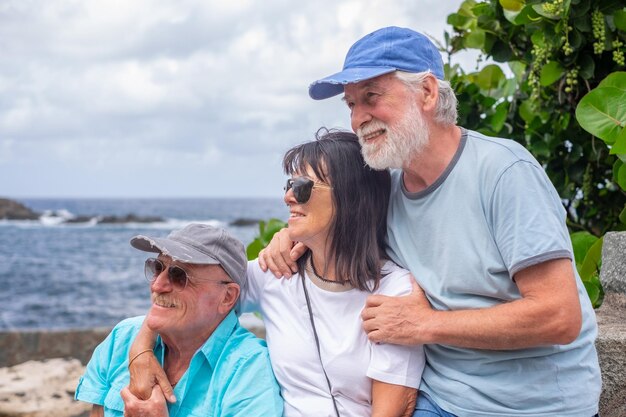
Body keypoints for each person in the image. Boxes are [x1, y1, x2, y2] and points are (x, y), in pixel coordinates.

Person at [259, 27, 602, 416]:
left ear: (427, 92)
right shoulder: (386, 187)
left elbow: (559, 316)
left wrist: (426, 325)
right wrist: (288, 237)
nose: (357, 120)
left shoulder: (504, 171)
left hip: (533, 406)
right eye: (350, 104)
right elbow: (334, 226)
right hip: (439, 398)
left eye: (371, 97)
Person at [127, 129, 426, 417]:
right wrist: (140, 351)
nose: (288, 197)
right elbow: (185, 296)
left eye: (303, 187)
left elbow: (392, 410)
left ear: (351, 199)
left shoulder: (395, 291)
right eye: (289, 185)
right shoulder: (274, 274)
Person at [75, 224, 283, 417]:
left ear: (227, 297)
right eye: (157, 268)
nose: (157, 285)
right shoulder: (123, 337)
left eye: (179, 276)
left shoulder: (249, 370)